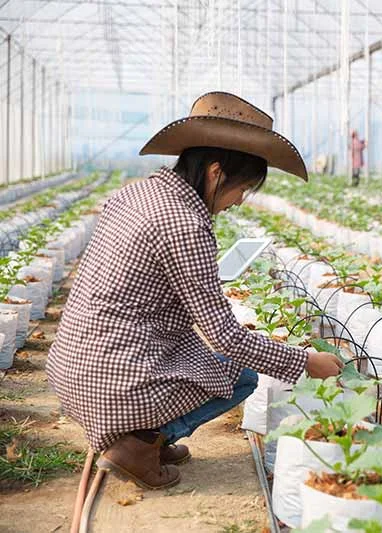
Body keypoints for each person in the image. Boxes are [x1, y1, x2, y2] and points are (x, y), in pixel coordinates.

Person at [46, 92, 343, 490]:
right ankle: (139, 445)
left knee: (204, 359)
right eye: (243, 188)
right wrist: (305, 361)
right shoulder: (186, 224)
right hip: (115, 384)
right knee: (241, 376)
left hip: (72, 370)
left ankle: (146, 436)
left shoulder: (135, 193)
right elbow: (226, 337)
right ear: (216, 172)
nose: (239, 201)